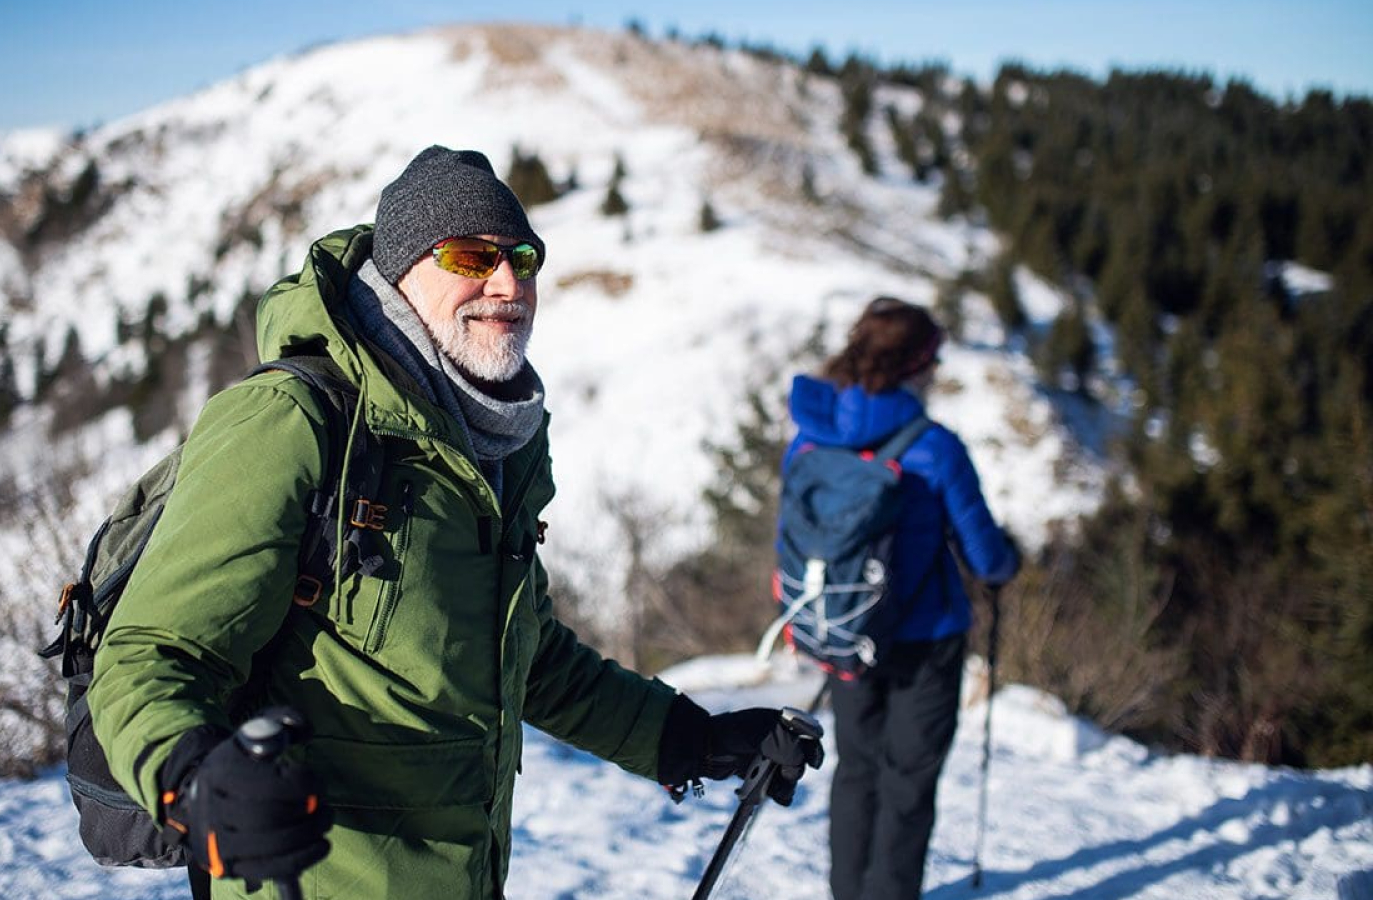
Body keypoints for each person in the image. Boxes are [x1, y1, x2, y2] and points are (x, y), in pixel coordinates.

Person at [87, 145, 820, 900]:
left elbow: (529, 660)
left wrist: (689, 737)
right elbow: (151, 650)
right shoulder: (295, 422)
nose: (507, 283)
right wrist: (193, 779)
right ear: (402, 273)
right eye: (472, 256)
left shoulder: (493, 444)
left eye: (523, 258)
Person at [785, 297, 1019, 900]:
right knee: (908, 781)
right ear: (917, 364)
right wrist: (1010, 557)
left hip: (844, 629)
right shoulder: (935, 446)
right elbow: (987, 558)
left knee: (856, 769)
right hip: (927, 637)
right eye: (935, 359)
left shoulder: (808, 437)